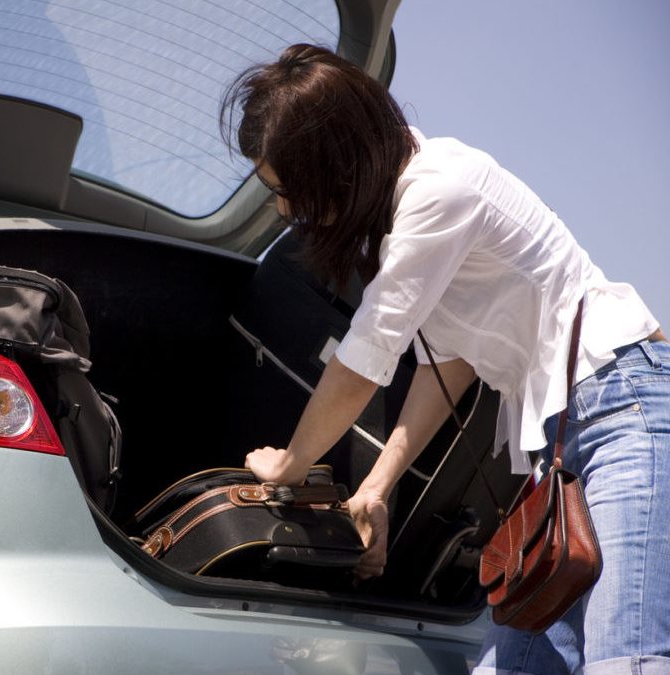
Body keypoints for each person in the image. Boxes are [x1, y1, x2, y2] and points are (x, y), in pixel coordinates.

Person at [224, 43, 669, 674]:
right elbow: (451, 361)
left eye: (286, 188)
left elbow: (364, 359)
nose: (284, 209)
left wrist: (292, 462)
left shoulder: (440, 188)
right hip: (567, 441)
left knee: (627, 658)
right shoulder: (415, 207)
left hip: (623, 411)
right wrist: (378, 486)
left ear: (335, 163)